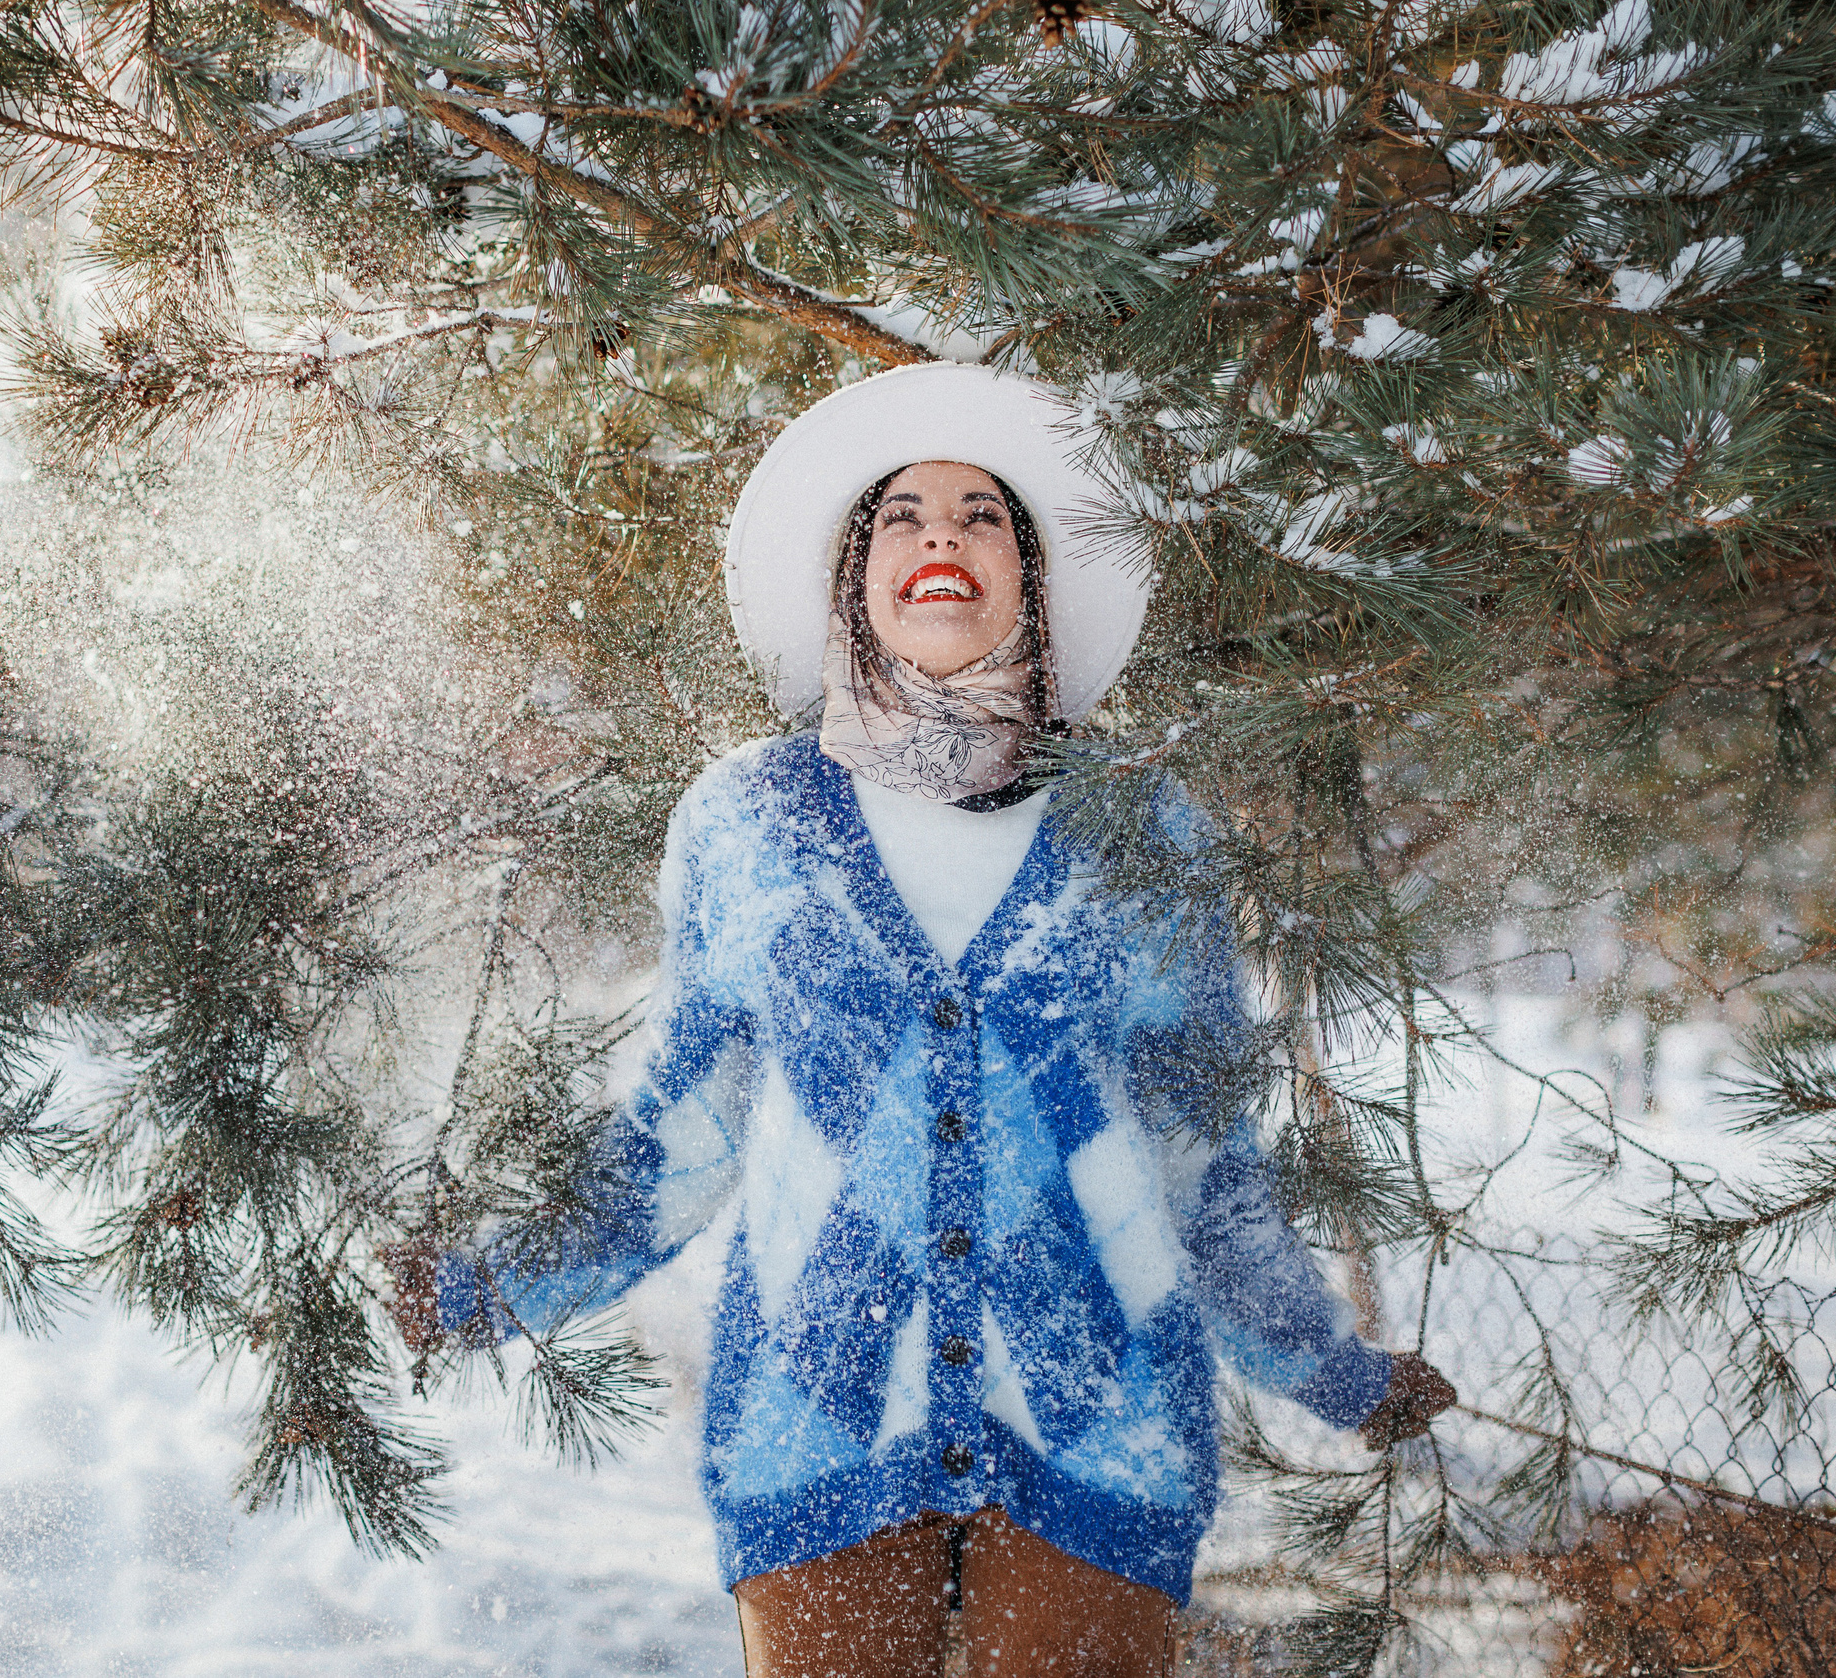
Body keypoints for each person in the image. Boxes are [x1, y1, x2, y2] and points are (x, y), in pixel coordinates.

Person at [388, 364, 1456, 1677]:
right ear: (855, 573)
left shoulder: (1144, 825)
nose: (942, 535)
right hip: (813, 1418)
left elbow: (1204, 1153)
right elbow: (690, 1129)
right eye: (901, 514)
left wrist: (1329, 1369)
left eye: (982, 515)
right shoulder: (750, 821)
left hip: (1105, 1419)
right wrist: (490, 1283)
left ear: (1031, 576)